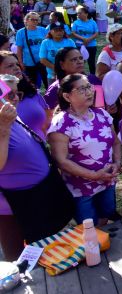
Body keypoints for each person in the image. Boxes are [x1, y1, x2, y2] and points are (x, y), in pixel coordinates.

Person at [0, 75, 74, 253]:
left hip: (38, 197)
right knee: (20, 260)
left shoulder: (10, 115)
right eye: (10, 95)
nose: (16, 98)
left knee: (51, 250)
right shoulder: (4, 120)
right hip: (15, 208)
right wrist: (3, 128)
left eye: (18, 93)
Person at [47, 74, 121, 225]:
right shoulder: (61, 123)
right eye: (82, 89)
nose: (89, 92)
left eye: (89, 87)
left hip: (107, 180)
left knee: (106, 215)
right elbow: (61, 161)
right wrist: (93, 176)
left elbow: (116, 143)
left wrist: (117, 163)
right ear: (67, 96)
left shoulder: (102, 114)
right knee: (88, 226)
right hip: (80, 189)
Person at [43, 46, 103, 113]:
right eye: (74, 60)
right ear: (62, 64)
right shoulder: (55, 89)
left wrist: (109, 108)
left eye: (81, 58)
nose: (79, 62)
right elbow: (50, 117)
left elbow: (101, 106)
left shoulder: (93, 80)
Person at [15, 12, 48, 88]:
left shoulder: (43, 30)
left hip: (43, 61)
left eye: (37, 20)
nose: (35, 21)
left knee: (47, 82)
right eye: (32, 19)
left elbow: (48, 45)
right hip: (29, 62)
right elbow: (19, 49)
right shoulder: (21, 32)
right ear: (26, 20)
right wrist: (20, 62)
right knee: (32, 84)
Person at [71, 6, 99, 75]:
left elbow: (96, 33)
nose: (78, 15)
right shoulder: (76, 22)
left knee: (91, 62)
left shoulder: (92, 22)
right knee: (79, 62)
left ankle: (93, 76)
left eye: (80, 13)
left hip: (91, 45)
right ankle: (80, 76)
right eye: (77, 14)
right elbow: (73, 33)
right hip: (79, 45)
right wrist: (83, 39)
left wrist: (89, 39)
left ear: (86, 14)